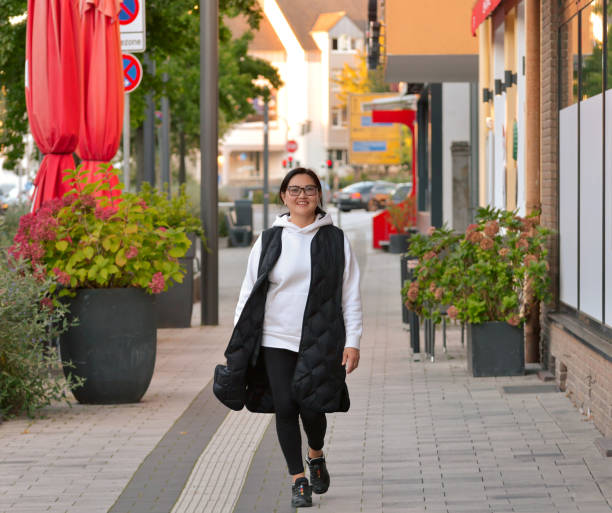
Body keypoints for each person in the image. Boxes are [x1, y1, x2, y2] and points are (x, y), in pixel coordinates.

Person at [221, 167, 362, 508]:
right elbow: (248, 291)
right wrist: (240, 338)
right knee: (284, 405)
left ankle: (316, 453)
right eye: (295, 190)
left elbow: (351, 295)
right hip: (275, 338)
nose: (302, 196)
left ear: (319, 196)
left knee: (312, 408)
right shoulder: (270, 238)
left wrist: (353, 341)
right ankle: (298, 480)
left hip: (322, 339)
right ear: (283, 196)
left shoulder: (336, 239)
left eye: (310, 190)